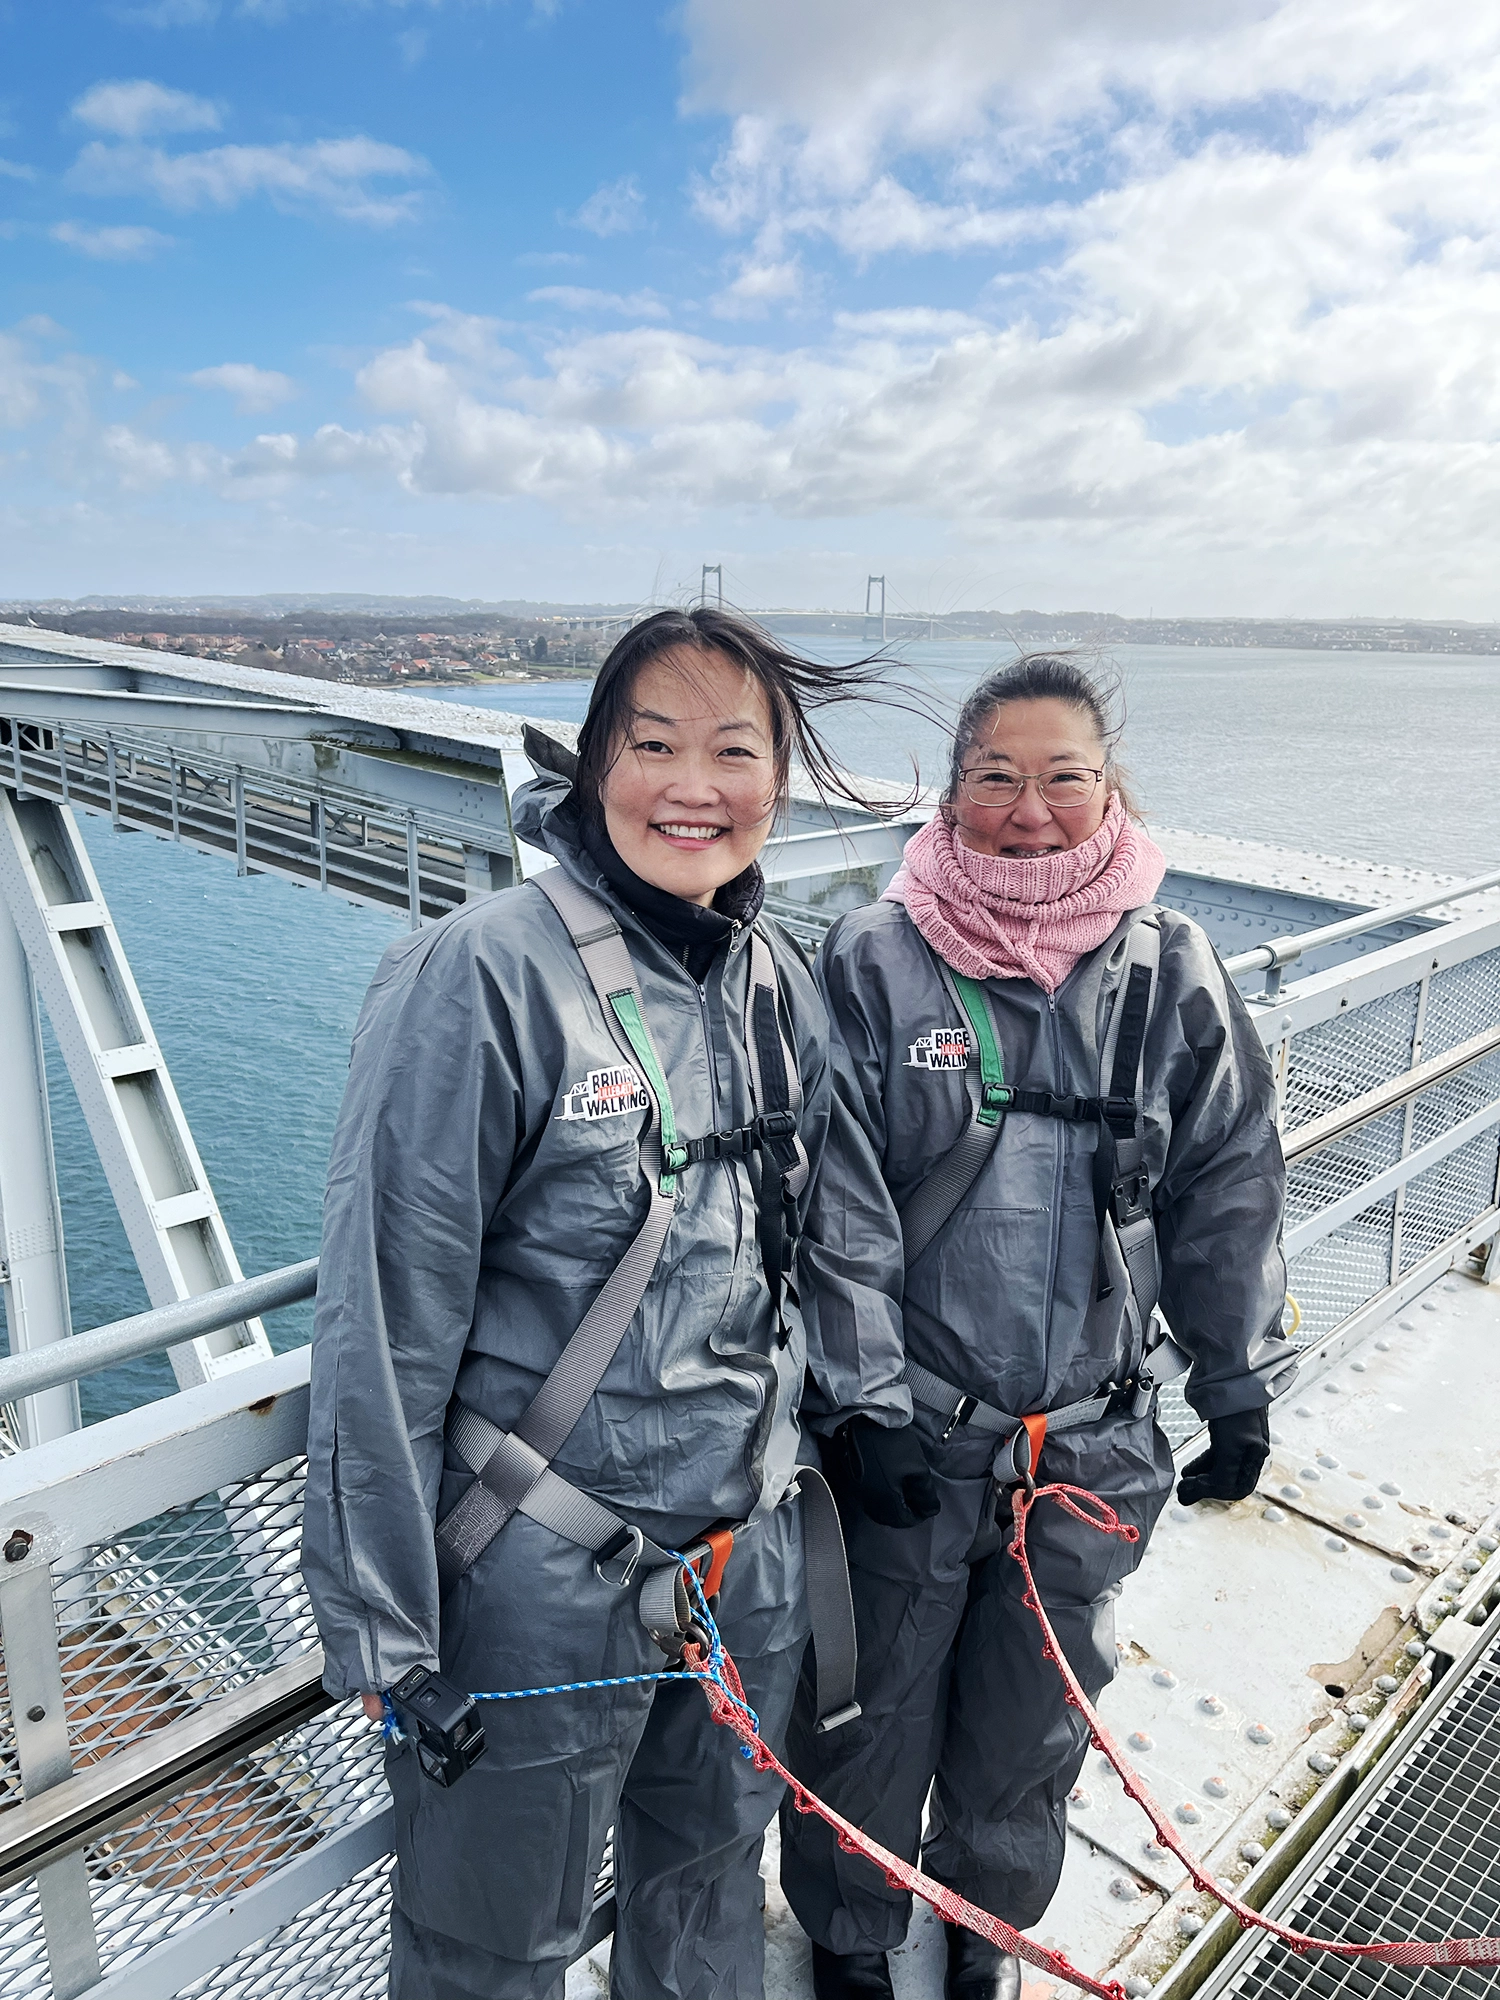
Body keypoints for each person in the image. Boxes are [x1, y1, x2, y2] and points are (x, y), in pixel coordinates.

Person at [301, 607, 917, 2000]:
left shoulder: (771, 976)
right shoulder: (481, 970)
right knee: (489, 1950)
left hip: (742, 1557)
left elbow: (827, 1219)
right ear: (589, 767)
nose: (692, 786)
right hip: (536, 1581)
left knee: (706, 1902)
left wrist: (865, 1408)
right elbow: (382, 1318)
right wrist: (385, 1631)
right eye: (652, 746)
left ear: (779, 780)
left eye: (733, 751)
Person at [780, 654, 1293, 2000]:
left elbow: (1227, 1176)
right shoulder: (874, 960)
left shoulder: (1171, 968)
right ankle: (851, 1936)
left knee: (1034, 1727)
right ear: (948, 796)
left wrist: (1235, 1378)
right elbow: (837, 1201)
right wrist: (862, 1395)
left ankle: (983, 1937)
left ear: (1111, 786)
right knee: (869, 1713)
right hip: (913, 1438)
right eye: (996, 779)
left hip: (1090, 1445)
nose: (1031, 809)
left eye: (1065, 777)